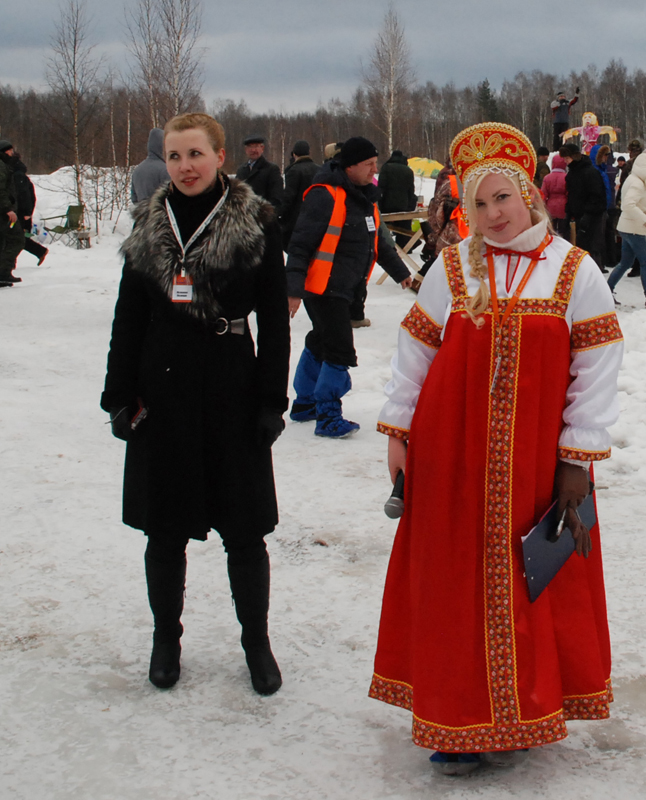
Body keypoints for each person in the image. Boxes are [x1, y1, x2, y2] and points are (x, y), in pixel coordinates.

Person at [370, 122, 623, 775]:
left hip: (535, 464)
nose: (492, 215)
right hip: (451, 457)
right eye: (478, 204)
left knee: (528, 584)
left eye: (502, 198)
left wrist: (576, 458)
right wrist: (399, 433)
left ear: (529, 195)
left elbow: (596, 368)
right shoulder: (453, 267)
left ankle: (525, 711)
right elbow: (415, 353)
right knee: (455, 584)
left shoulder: (575, 270)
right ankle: (457, 718)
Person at [100, 112, 290, 696]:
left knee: (245, 531)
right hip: (163, 388)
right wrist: (118, 393)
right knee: (164, 530)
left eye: (196, 155)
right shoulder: (149, 223)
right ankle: (166, 640)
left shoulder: (255, 221)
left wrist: (271, 399)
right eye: (175, 156)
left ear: (219, 156)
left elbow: (274, 320)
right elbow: (129, 314)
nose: (185, 167)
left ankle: (256, 643)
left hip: (231, 385)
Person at [285, 136, 413, 438]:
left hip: (346, 289)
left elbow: (378, 243)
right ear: (350, 166)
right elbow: (300, 243)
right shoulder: (325, 195)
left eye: (375, 163)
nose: (374, 169)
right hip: (322, 289)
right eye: (369, 164)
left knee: (321, 341)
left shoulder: (365, 198)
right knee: (340, 350)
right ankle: (328, 416)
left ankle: (304, 404)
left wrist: (401, 273)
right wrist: (293, 289)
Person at [606, 152, 646, 308]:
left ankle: (606, 290)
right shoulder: (637, 184)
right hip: (634, 228)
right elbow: (628, 205)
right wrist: (644, 219)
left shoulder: (633, 179)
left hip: (627, 227)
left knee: (625, 262)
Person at [560, 142, 606, 264]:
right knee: (580, 248)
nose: (565, 161)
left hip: (592, 218)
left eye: (567, 158)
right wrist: (568, 212)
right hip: (579, 217)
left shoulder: (589, 172)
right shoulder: (572, 173)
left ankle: (595, 270)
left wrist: (588, 215)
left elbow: (597, 196)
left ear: (574, 157)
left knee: (591, 248)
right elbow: (571, 195)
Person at [10, 150, 48, 269]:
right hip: (19, 212)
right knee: (17, 238)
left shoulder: (17, 175)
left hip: (20, 213)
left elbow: (24, 196)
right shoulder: (17, 174)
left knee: (15, 238)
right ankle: (40, 251)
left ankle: (39, 251)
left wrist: (26, 213)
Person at [279, 140, 320, 251]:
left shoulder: (293, 171)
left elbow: (289, 197)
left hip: (296, 219)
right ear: (309, 152)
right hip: (315, 217)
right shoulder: (319, 170)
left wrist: (280, 214)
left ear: (294, 154)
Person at [236, 135, 283, 209]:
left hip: (263, 213)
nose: (253, 150)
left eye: (256, 146)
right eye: (250, 147)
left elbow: (276, 198)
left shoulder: (272, 169)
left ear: (262, 148)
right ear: (246, 150)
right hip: (244, 214)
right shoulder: (241, 170)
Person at [0, 140, 24, 288]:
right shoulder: (2, 166)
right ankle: (3, 273)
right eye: (9, 150)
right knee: (16, 239)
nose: (12, 153)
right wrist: (7, 208)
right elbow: (1, 190)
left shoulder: (5, 165)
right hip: (3, 212)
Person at [131, 128, 170, 204]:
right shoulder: (165, 170)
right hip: (161, 211)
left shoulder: (137, 170)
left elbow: (134, 198)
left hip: (142, 211)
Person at [541, 152, 569, 239]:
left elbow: (543, 194)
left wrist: (543, 207)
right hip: (563, 207)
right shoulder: (566, 177)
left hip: (550, 206)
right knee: (563, 230)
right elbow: (569, 193)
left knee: (551, 229)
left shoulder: (547, 178)